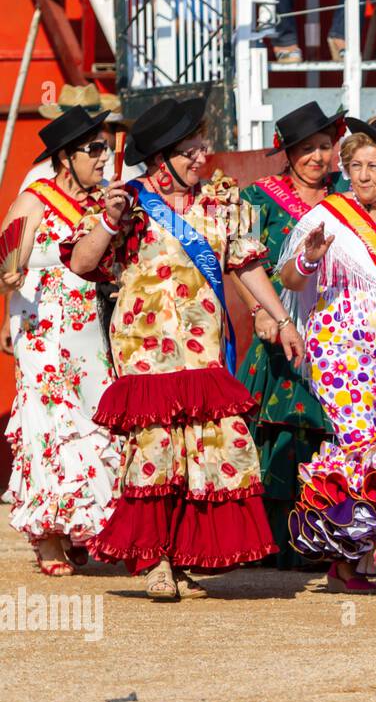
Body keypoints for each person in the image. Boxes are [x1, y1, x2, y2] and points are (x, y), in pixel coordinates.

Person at [66, 96, 306, 601]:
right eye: (191, 148)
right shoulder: (125, 201)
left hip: (203, 351)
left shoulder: (221, 199)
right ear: (162, 158)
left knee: (213, 449)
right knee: (155, 454)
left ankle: (184, 557)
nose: (203, 154)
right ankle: (155, 561)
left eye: (202, 144)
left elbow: (245, 265)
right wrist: (109, 223)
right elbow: (84, 263)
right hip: (146, 352)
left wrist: (282, 319)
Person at [278, 118, 376, 593]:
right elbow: (289, 279)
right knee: (361, 444)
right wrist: (308, 258)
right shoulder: (328, 215)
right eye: (354, 166)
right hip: (340, 349)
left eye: (373, 166)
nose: (362, 175)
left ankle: (346, 560)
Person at [0, 107, 121, 576]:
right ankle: (48, 535)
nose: (103, 158)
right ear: (65, 158)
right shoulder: (35, 199)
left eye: (106, 148)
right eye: (94, 150)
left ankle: (82, 523)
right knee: (51, 424)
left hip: (90, 328)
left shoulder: (102, 204)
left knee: (95, 418)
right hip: (42, 330)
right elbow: (9, 256)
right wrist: (8, 277)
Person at [230, 102, 349, 569]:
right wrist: (259, 309)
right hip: (282, 325)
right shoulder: (257, 198)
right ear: (287, 152)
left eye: (325, 146)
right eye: (307, 149)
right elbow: (239, 261)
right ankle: (274, 539)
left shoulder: (347, 195)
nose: (318, 158)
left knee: (332, 427)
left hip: (336, 325)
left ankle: (326, 537)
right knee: (280, 429)